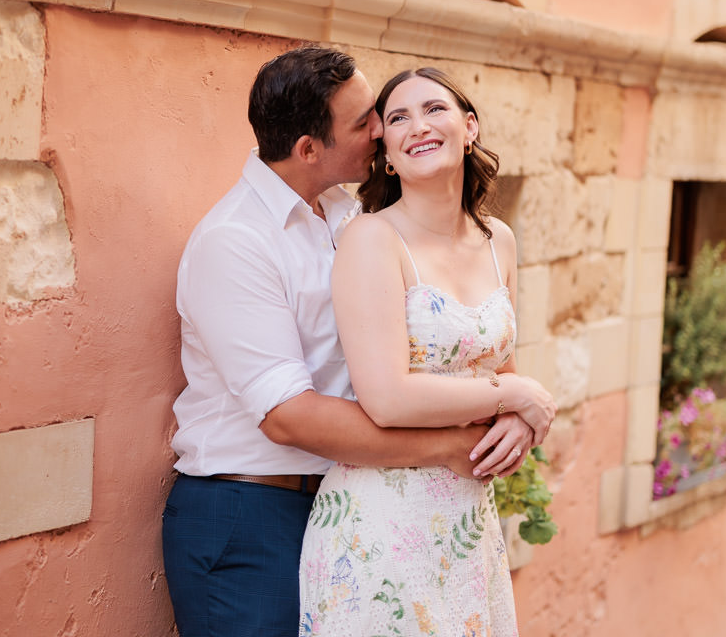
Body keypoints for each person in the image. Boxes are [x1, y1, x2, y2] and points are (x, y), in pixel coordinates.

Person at [162, 48, 540, 637]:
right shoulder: (234, 242)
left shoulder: (346, 213)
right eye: (369, 120)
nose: (382, 129)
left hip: (350, 495)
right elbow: (289, 417)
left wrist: (509, 414)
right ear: (309, 148)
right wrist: (453, 444)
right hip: (250, 510)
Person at [298, 67, 556, 636]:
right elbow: (386, 398)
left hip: (467, 522)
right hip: (381, 523)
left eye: (433, 109)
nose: (418, 126)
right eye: (397, 118)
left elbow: (498, 366)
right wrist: (514, 395)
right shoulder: (372, 238)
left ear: (469, 127)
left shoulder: (500, 241)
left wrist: (515, 418)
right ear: (386, 151)